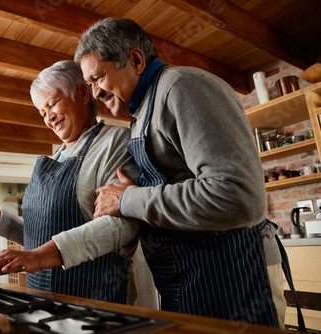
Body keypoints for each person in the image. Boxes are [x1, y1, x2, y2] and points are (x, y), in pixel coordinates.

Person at [74, 18, 291, 328]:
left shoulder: (183, 87)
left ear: (135, 60)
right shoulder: (142, 113)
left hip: (234, 275)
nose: (95, 93)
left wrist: (129, 199)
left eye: (97, 78)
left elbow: (236, 195)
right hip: (189, 278)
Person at [0, 60, 146, 305]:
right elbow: (41, 237)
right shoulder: (57, 155)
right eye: (42, 112)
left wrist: (38, 255)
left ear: (81, 93)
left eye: (53, 103)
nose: (49, 118)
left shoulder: (116, 142)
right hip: (43, 300)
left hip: (97, 299)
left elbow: (122, 226)